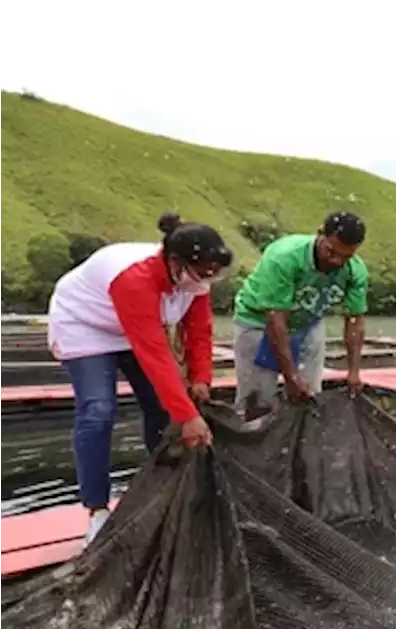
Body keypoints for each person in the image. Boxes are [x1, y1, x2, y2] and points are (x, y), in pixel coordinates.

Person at [46, 213, 233, 544]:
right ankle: (97, 511)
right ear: (174, 263)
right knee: (98, 411)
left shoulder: (196, 277)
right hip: (85, 325)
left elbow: (199, 332)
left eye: (211, 277)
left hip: (133, 327)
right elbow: (153, 353)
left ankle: (165, 486)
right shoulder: (134, 279)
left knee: (162, 407)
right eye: (201, 275)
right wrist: (188, 416)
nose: (205, 283)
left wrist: (201, 378)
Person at [232, 211, 369, 418]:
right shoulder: (285, 257)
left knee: (309, 396)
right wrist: (290, 376)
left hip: (307, 323)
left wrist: (354, 371)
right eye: (331, 251)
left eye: (346, 256)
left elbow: (354, 321)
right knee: (258, 400)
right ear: (320, 234)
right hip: (258, 321)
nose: (336, 261)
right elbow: (275, 319)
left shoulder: (355, 271)